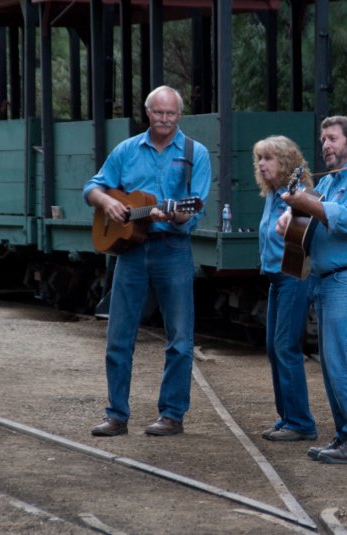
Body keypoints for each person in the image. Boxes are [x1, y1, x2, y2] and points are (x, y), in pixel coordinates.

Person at [83, 85, 210, 437]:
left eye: (171, 114)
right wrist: (107, 203)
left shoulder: (194, 153)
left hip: (172, 250)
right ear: (148, 112)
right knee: (118, 336)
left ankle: (171, 415)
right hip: (132, 252)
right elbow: (92, 187)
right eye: (159, 113)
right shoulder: (127, 150)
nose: (165, 119)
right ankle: (116, 415)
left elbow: (194, 208)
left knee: (180, 338)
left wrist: (175, 215)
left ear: (179, 115)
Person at [278, 116, 347, 464]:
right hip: (333, 280)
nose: (325, 145)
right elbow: (312, 219)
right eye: (322, 139)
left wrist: (304, 203)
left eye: (332, 139)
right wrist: (289, 220)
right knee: (332, 362)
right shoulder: (332, 182)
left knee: (343, 356)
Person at [253, 136, 318, 442]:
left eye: (268, 159)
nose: (262, 165)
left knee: (286, 348)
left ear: (287, 163)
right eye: (259, 159)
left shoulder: (298, 196)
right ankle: (287, 417)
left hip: (292, 277)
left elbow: (304, 237)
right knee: (273, 348)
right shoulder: (272, 195)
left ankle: (301, 422)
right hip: (275, 279)